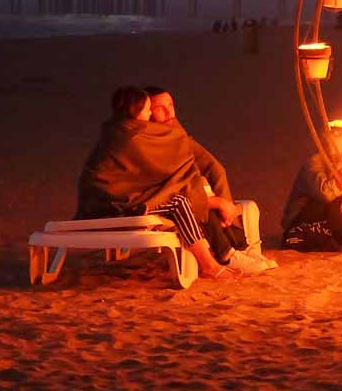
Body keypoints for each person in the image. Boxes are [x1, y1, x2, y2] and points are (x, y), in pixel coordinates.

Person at [76, 86, 261, 278]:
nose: (153, 113)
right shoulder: (132, 136)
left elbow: (198, 169)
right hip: (109, 203)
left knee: (190, 194)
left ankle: (226, 253)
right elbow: (155, 179)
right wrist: (214, 201)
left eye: (170, 105)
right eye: (149, 109)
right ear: (135, 112)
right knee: (180, 201)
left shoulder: (129, 130)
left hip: (126, 199)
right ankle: (212, 263)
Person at [143, 86, 275, 271]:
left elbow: (212, 166)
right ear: (148, 112)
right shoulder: (148, 139)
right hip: (170, 199)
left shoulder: (175, 129)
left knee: (235, 198)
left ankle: (243, 249)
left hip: (190, 194)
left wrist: (225, 207)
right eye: (160, 108)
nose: (168, 112)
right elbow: (171, 183)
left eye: (171, 105)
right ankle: (227, 255)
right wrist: (215, 202)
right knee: (201, 192)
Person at [281, 145, 342, 255]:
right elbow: (327, 193)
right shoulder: (315, 162)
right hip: (305, 220)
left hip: (335, 217)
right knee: (335, 198)